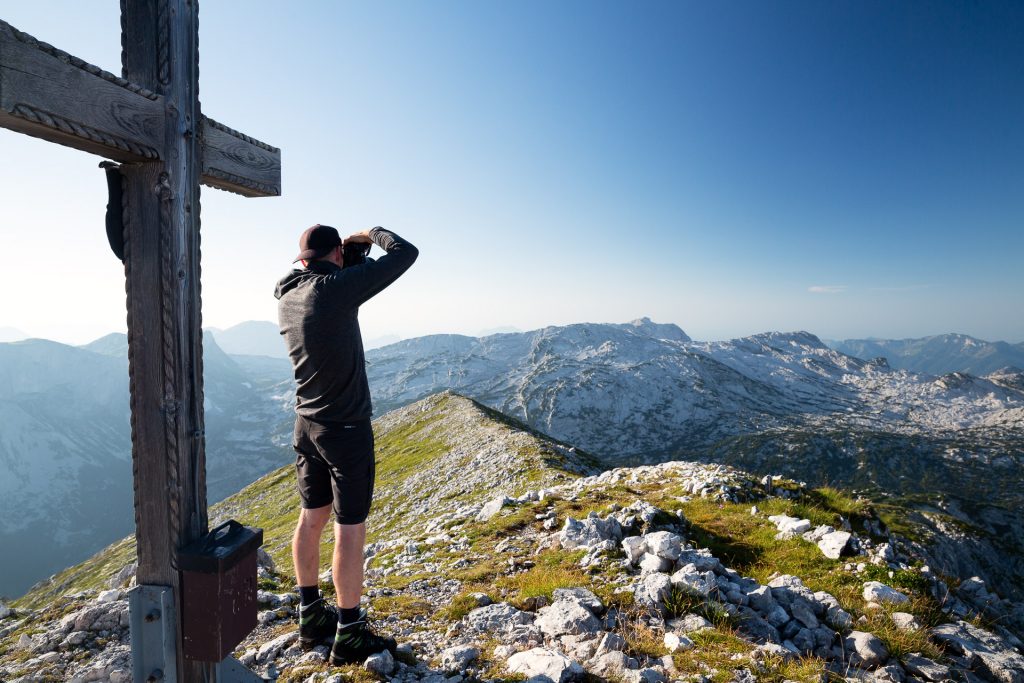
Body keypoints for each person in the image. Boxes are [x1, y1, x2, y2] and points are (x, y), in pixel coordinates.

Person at [274, 224, 418, 663]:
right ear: (336, 254)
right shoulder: (335, 290)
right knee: (349, 528)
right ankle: (350, 631)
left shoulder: (287, 293)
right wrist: (370, 234)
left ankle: (311, 613)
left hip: (307, 425)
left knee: (310, 518)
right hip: (346, 431)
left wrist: (344, 256)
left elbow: (328, 280)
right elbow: (406, 253)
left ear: (302, 259)